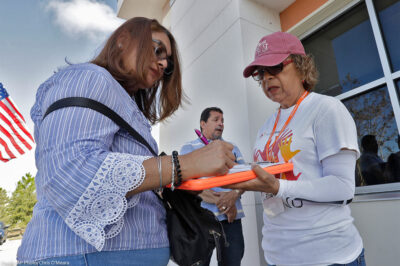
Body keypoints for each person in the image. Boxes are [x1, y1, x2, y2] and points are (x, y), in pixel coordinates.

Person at [17, 17, 237, 266]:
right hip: (82, 256)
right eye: (157, 50)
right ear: (122, 41)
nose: (164, 63)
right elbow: (70, 171)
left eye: (169, 63)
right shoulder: (89, 77)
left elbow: (133, 184)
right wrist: (180, 165)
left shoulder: (125, 103)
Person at [228, 32, 366, 265]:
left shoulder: (326, 109)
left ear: (301, 67)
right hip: (277, 255)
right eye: (261, 73)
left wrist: (278, 186)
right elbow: (267, 176)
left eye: (275, 67)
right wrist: (234, 186)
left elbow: (342, 188)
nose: (266, 78)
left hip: (327, 256)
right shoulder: (266, 126)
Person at [180, 107, 245, 266]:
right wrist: (222, 202)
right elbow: (184, 183)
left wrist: (233, 195)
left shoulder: (232, 147)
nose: (221, 124)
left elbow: (246, 178)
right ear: (203, 123)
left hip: (231, 221)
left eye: (222, 120)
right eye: (216, 120)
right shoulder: (188, 148)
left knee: (232, 263)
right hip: (201, 220)